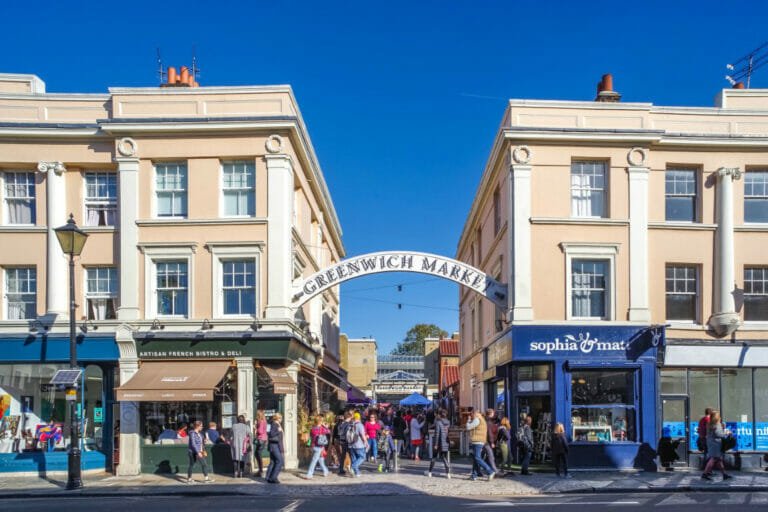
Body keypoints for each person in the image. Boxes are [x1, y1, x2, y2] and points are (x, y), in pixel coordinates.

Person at [701, 410, 732, 481]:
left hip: (711, 442)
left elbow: (712, 433)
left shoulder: (709, 424)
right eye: (719, 416)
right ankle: (705, 474)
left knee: (718, 460)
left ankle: (724, 474)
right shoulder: (717, 424)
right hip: (716, 444)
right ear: (717, 417)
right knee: (714, 459)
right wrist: (727, 433)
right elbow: (719, 434)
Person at [466, 409, 495, 481]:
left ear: (474, 414)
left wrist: (468, 420)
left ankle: (490, 471)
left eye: (471, 414)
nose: (471, 416)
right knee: (476, 459)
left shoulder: (477, 419)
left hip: (477, 441)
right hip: (481, 441)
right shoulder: (482, 419)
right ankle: (474, 475)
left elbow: (468, 427)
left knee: (477, 458)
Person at [425, 409, 451, 478]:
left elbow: (437, 434)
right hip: (445, 442)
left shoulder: (438, 422)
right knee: (444, 457)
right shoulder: (448, 422)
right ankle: (448, 473)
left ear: (440, 415)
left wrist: (436, 444)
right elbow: (448, 432)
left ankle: (430, 472)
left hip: (439, 442)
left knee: (434, 457)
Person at [306, 414, 331, 479]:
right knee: (314, 461)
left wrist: (309, 445)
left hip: (314, 446)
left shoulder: (313, 428)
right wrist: (325, 426)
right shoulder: (322, 429)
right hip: (320, 447)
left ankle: (325, 471)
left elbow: (310, 437)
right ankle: (309, 474)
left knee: (320, 460)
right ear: (321, 421)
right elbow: (329, 431)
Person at [266, 412, 285, 483]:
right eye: (281, 418)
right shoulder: (275, 424)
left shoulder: (276, 424)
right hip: (274, 445)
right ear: (278, 418)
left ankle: (269, 477)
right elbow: (271, 434)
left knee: (273, 462)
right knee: (280, 461)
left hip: (275, 445)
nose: (281, 419)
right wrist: (278, 430)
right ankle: (273, 478)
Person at [348, 412, 367, 477]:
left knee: (354, 458)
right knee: (362, 457)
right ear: (359, 418)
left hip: (351, 444)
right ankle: (352, 467)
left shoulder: (350, 424)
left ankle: (357, 473)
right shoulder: (360, 425)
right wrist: (366, 442)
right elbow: (362, 435)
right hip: (358, 445)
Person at [484, 409, 499, 474]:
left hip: (485, 441)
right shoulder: (488, 422)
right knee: (490, 456)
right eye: (493, 413)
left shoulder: (487, 420)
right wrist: (492, 442)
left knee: (482, 457)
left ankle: (477, 471)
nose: (494, 414)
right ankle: (494, 471)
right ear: (490, 414)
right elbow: (489, 433)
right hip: (487, 441)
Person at [337, 411, 353, 475]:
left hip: (341, 441)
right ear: (349, 417)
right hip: (347, 441)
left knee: (343, 456)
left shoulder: (341, 424)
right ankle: (352, 469)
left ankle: (341, 469)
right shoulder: (348, 424)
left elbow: (339, 433)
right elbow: (349, 434)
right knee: (352, 455)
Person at [253, 409, 268, 478]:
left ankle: (261, 471)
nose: (256, 416)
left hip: (261, 439)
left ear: (259, 415)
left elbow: (260, 431)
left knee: (258, 455)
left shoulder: (261, 421)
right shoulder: (264, 421)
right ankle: (260, 471)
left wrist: (255, 427)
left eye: (257, 414)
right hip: (263, 439)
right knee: (257, 454)